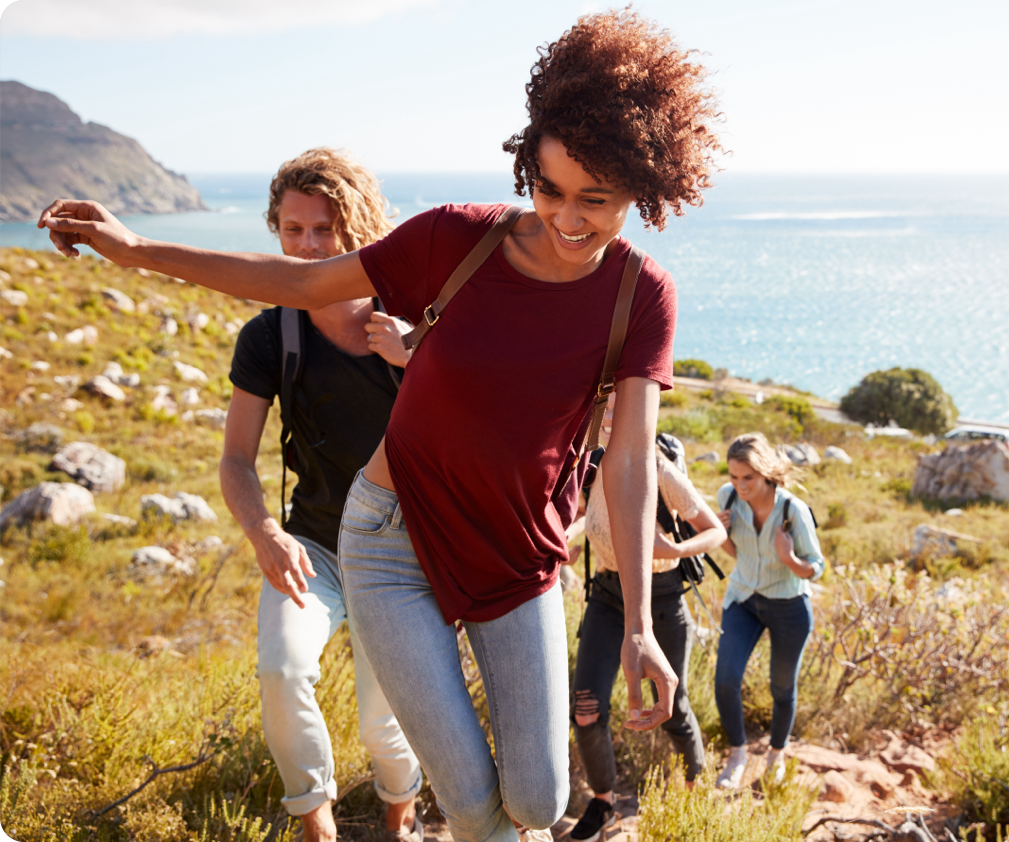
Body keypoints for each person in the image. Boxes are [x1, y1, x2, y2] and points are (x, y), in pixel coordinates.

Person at [38, 10, 723, 841]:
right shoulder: (455, 241)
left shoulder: (640, 295)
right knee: (470, 802)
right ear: (526, 167)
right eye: (548, 189)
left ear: (642, 190)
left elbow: (631, 460)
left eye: (596, 200)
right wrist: (137, 248)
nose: (567, 218)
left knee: (539, 802)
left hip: (517, 551)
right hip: (389, 540)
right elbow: (302, 283)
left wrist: (641, 626)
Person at [219, 149, 423, 842]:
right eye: (292, 230)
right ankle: (317, 824)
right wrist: (265, 534)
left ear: (360, 229)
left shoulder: (417, 322)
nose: (307, 247)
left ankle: (400, 817)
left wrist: (415, 357)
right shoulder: (269, 337)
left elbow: (484, 425)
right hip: (313, 546)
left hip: (404, 554)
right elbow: (236, 460)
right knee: (281, 668)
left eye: (323, 229)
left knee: (383, 721)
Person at [565, 394, 726, 842]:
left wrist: (676, 549)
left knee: (672, 707)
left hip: (663, 599)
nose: (609, 415)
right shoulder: (592, 463)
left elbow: (715, 530)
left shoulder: (658, 468)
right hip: (606, 597)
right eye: (604, 405)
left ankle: (695, 794)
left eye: (621, 404)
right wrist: (567, 539)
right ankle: (604, 804)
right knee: (585, 709)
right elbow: (589, 515)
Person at [713, 433, 825, 789]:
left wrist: (789, 558)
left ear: (765, 473)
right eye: (734, 476)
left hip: (788, 605)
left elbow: (817, 567)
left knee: (782, 687)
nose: (740, 485)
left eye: (748, 477)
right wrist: (721, 534)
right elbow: (736, 553)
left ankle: (776, 756)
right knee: (725, 679)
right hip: (743, 598)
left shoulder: (793, 510)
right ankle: (737, 756)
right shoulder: (727, 497)